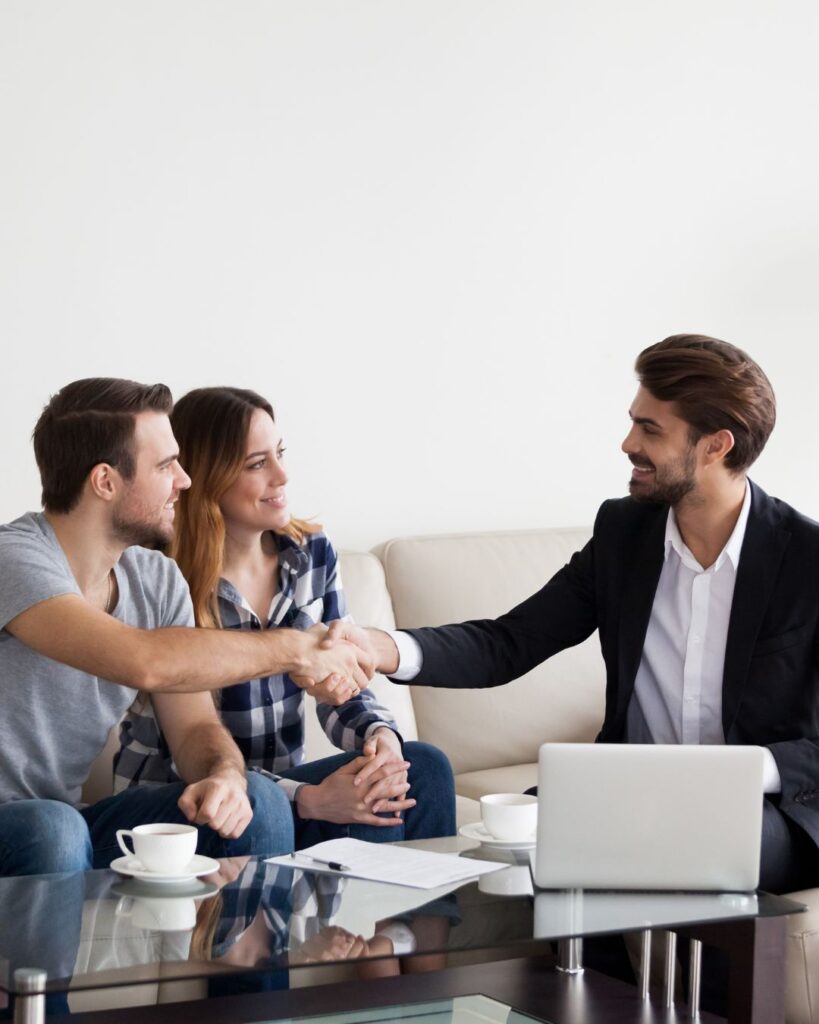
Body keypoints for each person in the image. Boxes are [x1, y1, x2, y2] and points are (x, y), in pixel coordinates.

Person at [331, 334, 819, 896]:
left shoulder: (806, 560)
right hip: (626, 796)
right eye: (633, 422)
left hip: (763, 811)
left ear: (716, 446)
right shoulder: (623, 534)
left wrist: (734, 775)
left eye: (650, 430)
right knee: (506, 850)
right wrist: (380, 647)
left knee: (704, 838)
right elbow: (509, 642)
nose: (627, 442)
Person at [0, 378, 375, 880]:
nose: (186, 480)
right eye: (165, 466)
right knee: (54, 828)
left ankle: (255, 960)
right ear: (105, 482)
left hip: (67, 824)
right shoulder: (15, 558)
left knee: (257, 799)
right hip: (36, 828)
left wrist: (222, 776)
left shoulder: (155, 579)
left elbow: (194, 726)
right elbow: (145, 660)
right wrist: (297, 648)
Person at [114, 386, 455, 847]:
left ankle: (405, 922)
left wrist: (380, 743)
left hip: (280, 796)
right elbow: (188, 749)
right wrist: (308, 799)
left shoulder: (311, 554)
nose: (282, 474)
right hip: (190, 802)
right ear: (207, 477)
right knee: (264, 803)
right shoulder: (161, 577)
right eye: (258, 464)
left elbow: (343, 687)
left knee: (423, 768)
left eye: (279, 453)